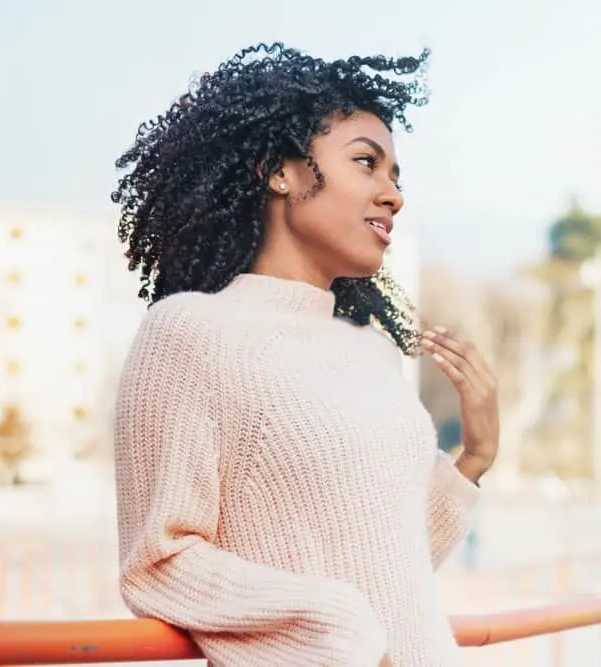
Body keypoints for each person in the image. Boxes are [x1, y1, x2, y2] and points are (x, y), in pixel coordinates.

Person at [109, 42, 500, 667]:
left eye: (396, 177)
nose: (393, 194)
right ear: (279, 170)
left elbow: (388, 562)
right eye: (367, 163)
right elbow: (159, 562)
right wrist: (339, 630)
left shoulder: (369, 351)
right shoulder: (189, 334)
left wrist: (474, 459)